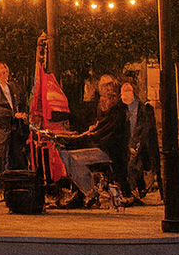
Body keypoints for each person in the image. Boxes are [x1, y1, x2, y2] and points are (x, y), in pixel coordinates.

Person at [54, 75, 129, 208]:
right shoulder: (106, 111)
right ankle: (80, 193)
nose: (106, 97)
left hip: (110, 154)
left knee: (72, 158)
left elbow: (100, 136)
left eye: (110, 94)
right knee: (67, 154)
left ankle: (90, 192)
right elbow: (95, 130)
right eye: (104, 93)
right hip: (102, 148)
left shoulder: (117, 112)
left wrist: (78, 139)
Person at [0, 61, 26, 180]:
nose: (4, 72)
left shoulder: (11, 87)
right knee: (1, 158)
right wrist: (14, 115)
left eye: (5, 70)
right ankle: (0, 182)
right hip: (2, 129)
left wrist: (20, 114)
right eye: (1, 71)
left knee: (14, 158)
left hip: (14, 128)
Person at [121, 80, 159, 201]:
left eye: (129, 90)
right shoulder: (121, 108)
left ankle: (135, 191)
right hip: (127, 142)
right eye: (124, 91)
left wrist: (135, 143)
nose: (126, 93)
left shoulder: (142, 108)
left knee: (133, 165)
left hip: (139, 143)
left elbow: (143, 128)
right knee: (130, 165)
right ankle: (137, 189)